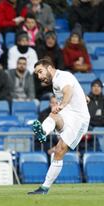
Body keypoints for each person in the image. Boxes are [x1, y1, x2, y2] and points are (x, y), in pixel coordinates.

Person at [28, 58, 90, 195]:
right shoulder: (59, 79)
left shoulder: (62, 77)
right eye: (37, 74)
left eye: (40, 72)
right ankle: (42, 132)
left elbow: (67, 91)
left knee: (59, 150)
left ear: (49, 68)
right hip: (68, 114)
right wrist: (83, 96)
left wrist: (61, 105)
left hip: (79, 119)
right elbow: (72, 88)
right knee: (53, 116)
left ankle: (44, 187)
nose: (39, 77)